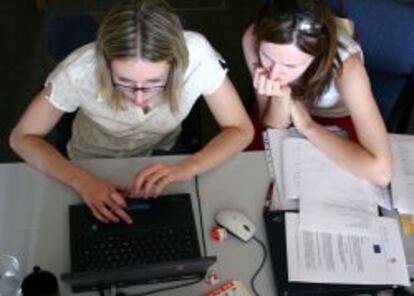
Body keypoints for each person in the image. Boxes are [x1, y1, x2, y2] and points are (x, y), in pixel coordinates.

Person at [9, 0, 253, 224]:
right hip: (92, 162)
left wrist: (191, 165)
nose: (138, 97)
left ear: (176, 64)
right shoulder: (79, 71)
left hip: (162, 154)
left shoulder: (197, 55)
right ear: (105, 64)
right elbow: (22, 138)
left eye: (154, 83)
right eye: (124, 82)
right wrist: (82, 181)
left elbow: (241, 129)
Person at [242, 0, 391, 186]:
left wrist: (307, 125)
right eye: (267, 57)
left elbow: (381, 173)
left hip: (337, 121)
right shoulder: (252, 38)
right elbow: (270, 125)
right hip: (281, 113)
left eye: (290, 65)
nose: (274, 74)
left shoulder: (348, 67)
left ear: (317, 55)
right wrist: (281, 100)